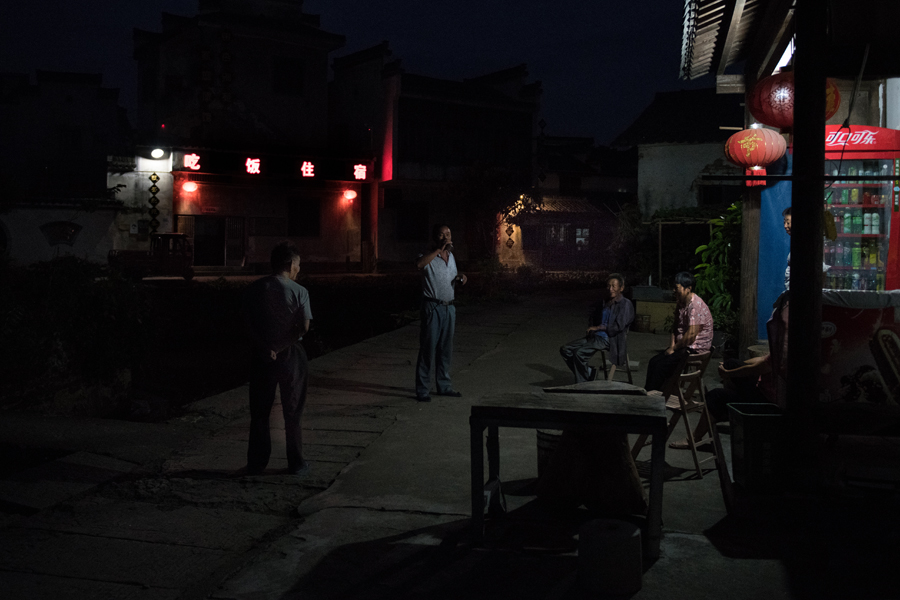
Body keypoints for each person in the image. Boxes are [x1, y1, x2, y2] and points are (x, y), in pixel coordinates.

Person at [241, 242, 313, 476]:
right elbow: (303, 327)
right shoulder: (299, 291)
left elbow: (247, 324)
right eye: (298, 265)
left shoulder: (254, 289)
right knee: (293, 410)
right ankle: (296, 463)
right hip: (291, 354)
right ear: (290, 264)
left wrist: (265, 347)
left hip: (262, 355)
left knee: (260, 411)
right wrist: (280, 346)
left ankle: (256, 463)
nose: (299, 269)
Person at [415, 224, 467, 402]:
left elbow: (451, 276)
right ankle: (422, 390)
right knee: (428, 348)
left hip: (449, 307)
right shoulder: (427, 256)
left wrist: (461, 277)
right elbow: (419, 265)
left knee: (445, 349)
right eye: (441, 235)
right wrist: (438, 250)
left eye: (448, 234)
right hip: (433, 307)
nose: (446, 237)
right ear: (435, 238)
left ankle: (444, 386)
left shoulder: (451, 257)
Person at [644, 271, 713, 392]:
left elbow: (691, 336)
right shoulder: (681, 302)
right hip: (682, 346)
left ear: (688, 289)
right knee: (653, 362)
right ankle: (649, 392)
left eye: (677, 288)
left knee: (661, 366)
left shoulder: (695, 305)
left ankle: (656, 395)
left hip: (695, 348)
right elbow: (675, 326)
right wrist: (672, 346)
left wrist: (674, 348)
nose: (674, 290)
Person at [559, 273, 634, 383]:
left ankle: (582, 384)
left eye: (614, 286)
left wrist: (599, 327)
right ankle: (589, 373)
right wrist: (592, 327)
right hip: (596, 336)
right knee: (565, 349)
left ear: (621, 288)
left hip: (610, 339)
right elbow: (593, 316)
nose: (610, 289)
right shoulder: (605, 302)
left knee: (579, 353)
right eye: (608, 286)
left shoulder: (625, 304)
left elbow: (618, 326)